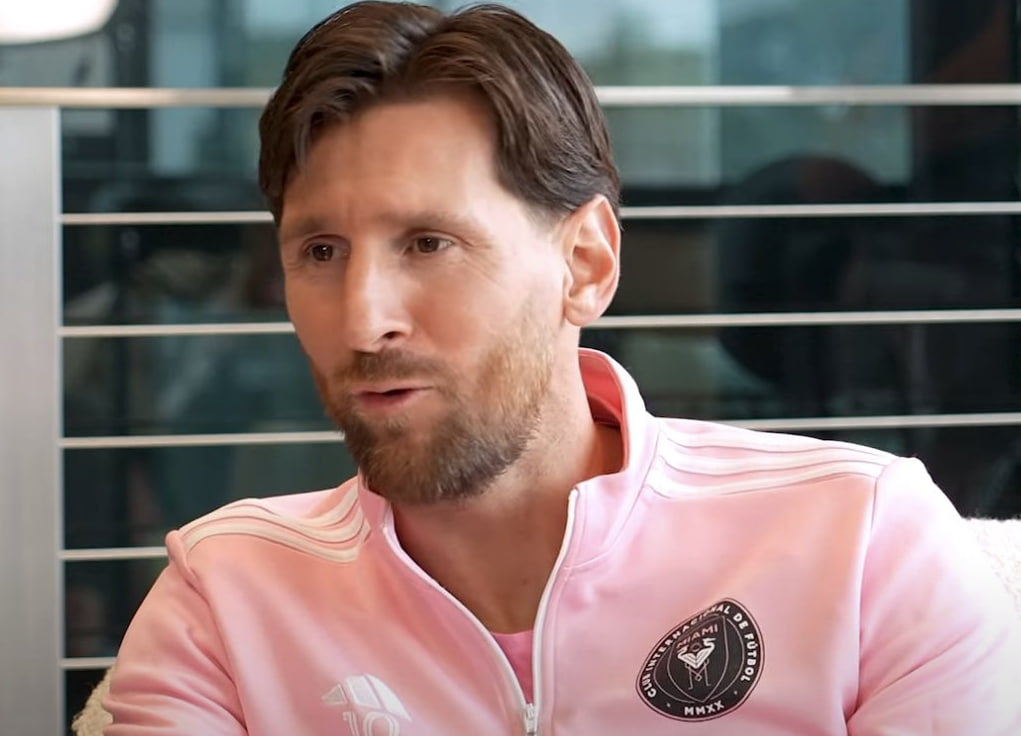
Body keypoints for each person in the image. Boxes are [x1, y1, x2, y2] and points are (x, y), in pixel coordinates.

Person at [102, 2, 1021, 733]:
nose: (363, 319)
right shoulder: (224, 596)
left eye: (428, 243)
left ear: (584, 264)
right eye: (320, 252)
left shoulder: (861, 542)